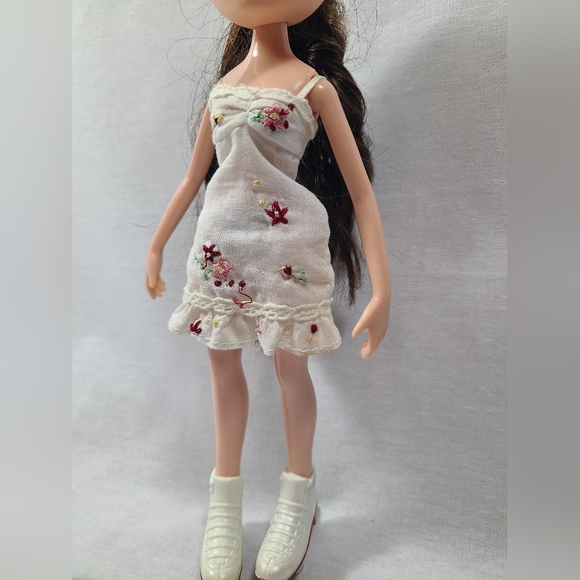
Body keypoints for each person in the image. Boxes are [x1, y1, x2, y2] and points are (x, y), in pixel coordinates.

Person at [145, 1, 391, 579]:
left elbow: (360, 192)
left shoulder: (313, 88)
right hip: (219, 249)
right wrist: (156, 245)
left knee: (290, 370)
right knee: (221, 366)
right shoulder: (221, 90)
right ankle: (224, 501)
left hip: (286, 251)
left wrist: (382, 289)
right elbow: (193, 177)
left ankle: (298, 494)